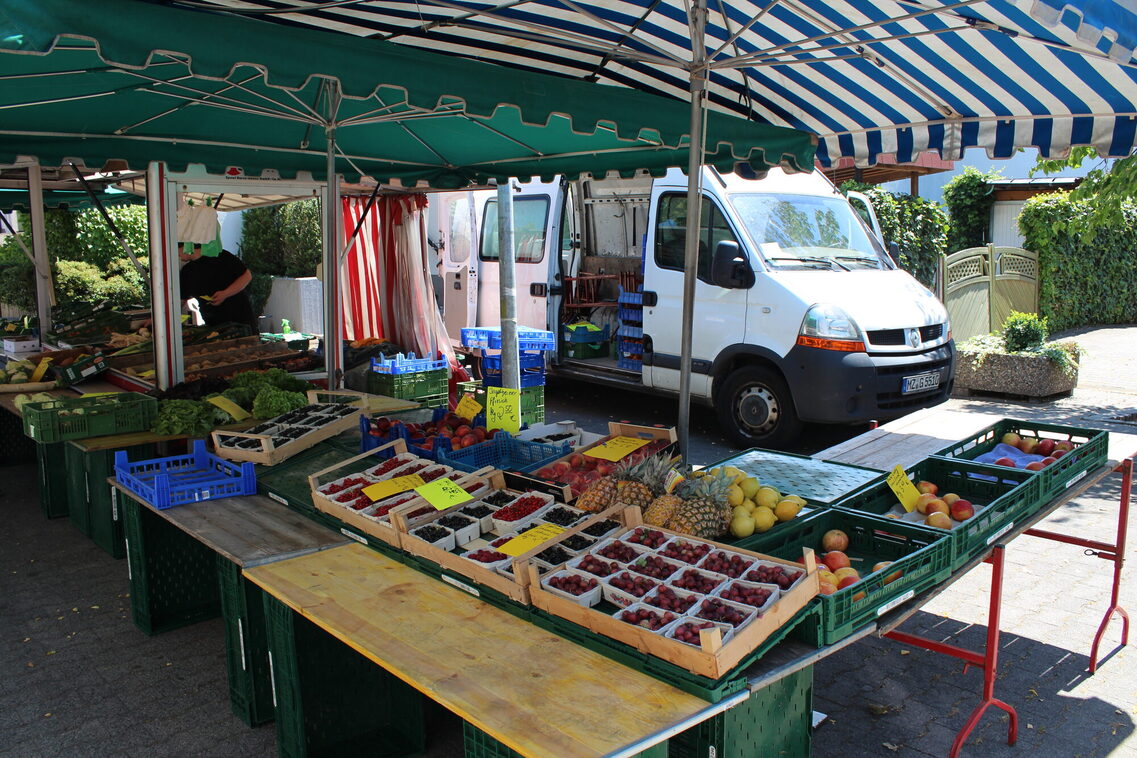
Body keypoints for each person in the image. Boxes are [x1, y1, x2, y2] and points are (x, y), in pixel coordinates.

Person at [178, 243, 257, 331]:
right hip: (213, 325)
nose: (177, 255)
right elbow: (183, 298)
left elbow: (247, 276)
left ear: (185, 246)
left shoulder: (221, 255)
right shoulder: (187, 271)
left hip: (239, 318)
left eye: (177, 248)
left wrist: (225, 293)